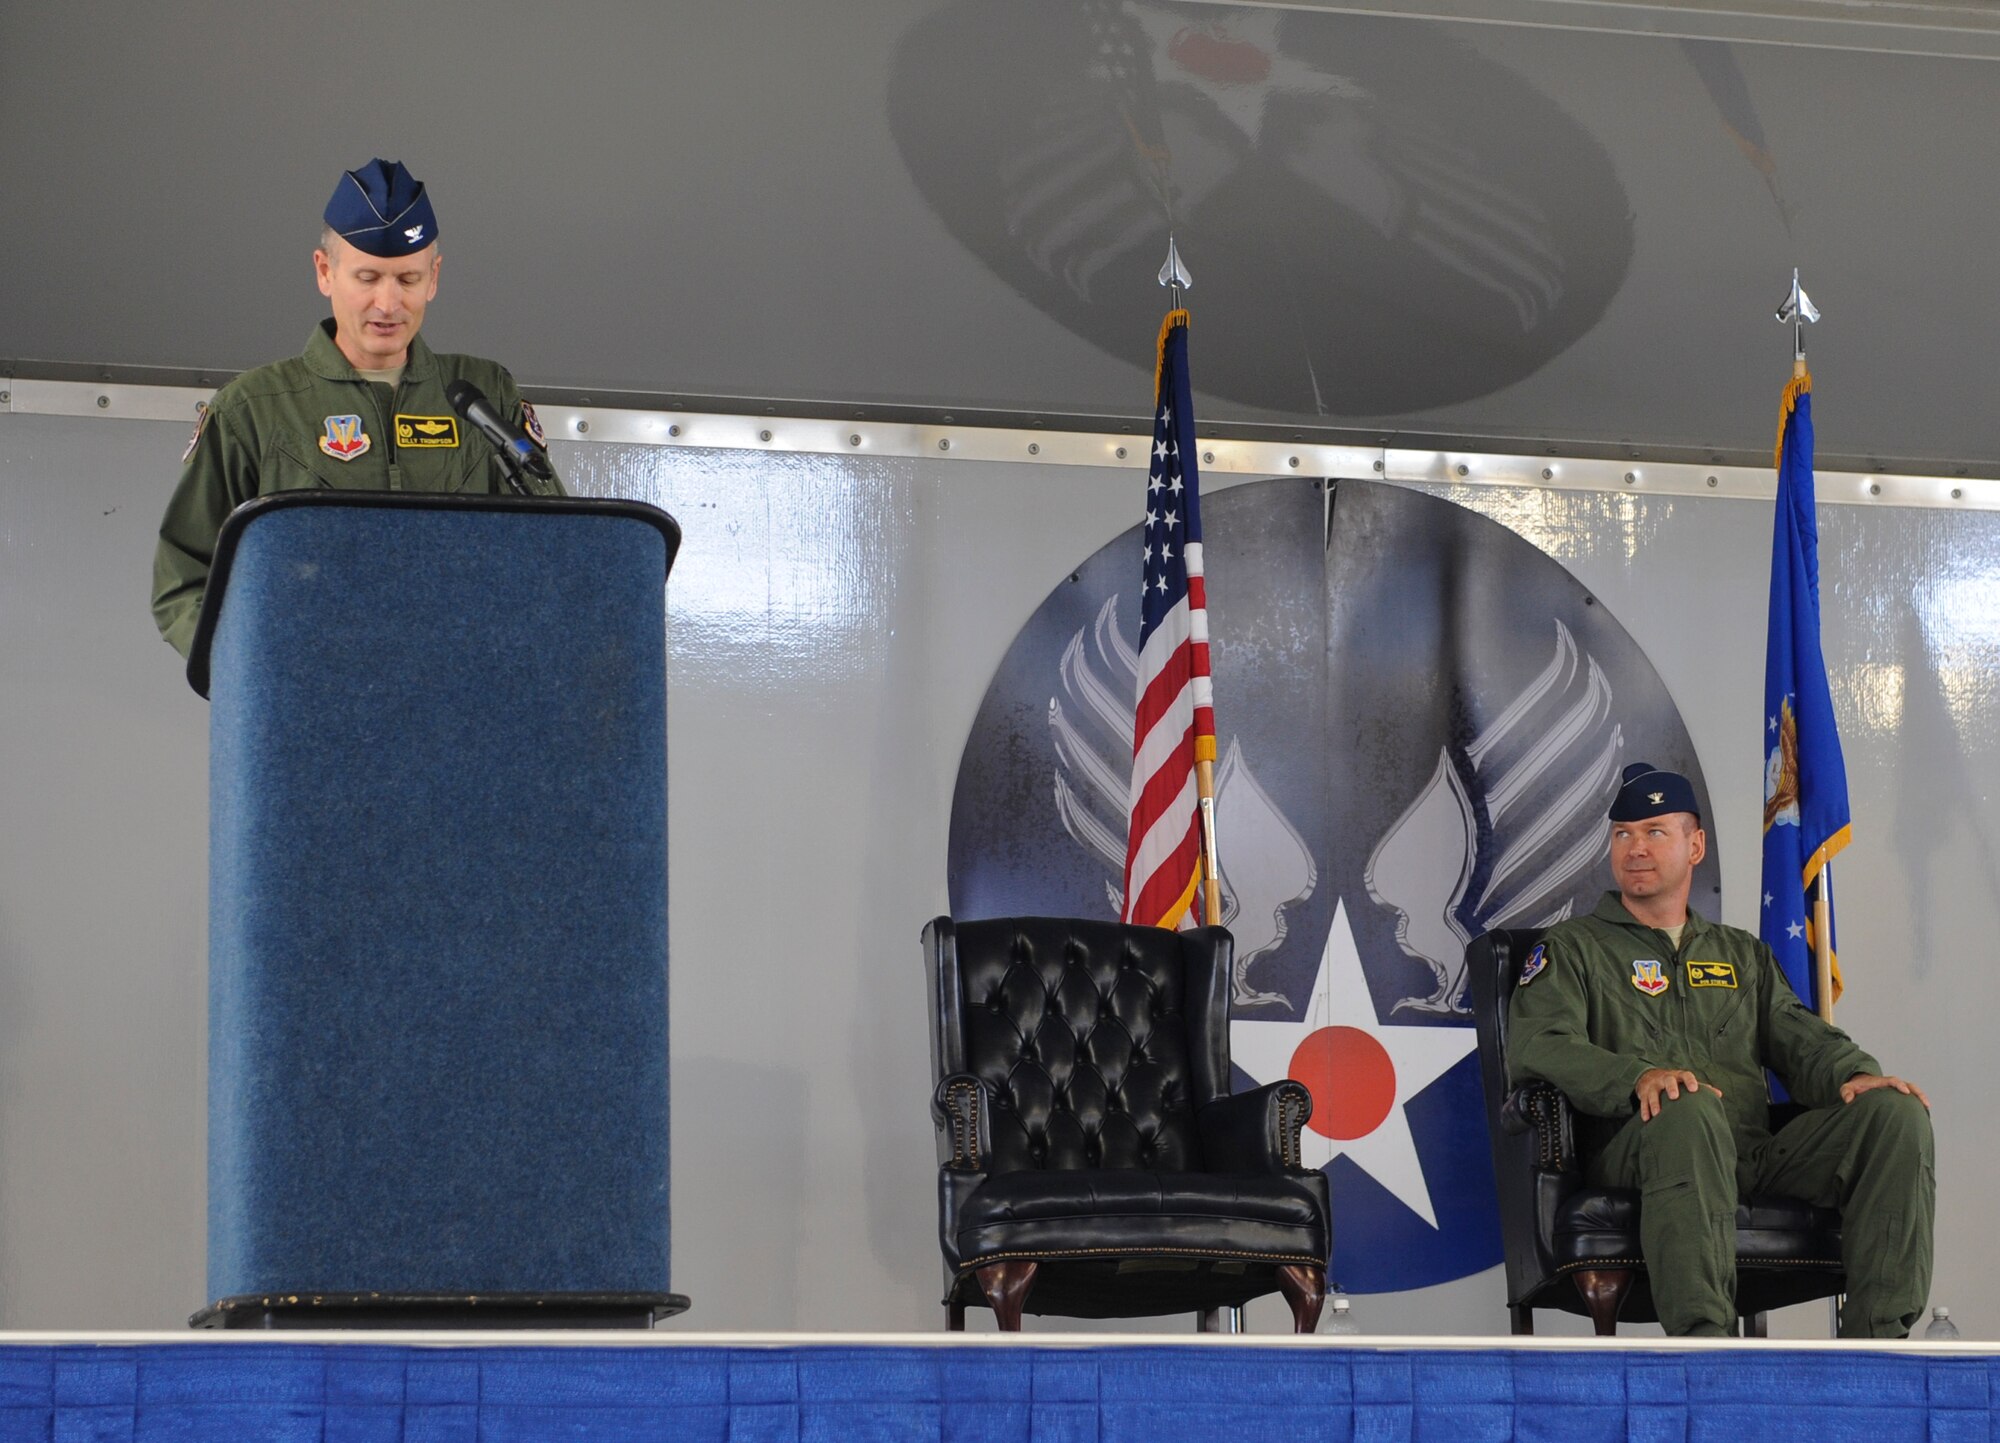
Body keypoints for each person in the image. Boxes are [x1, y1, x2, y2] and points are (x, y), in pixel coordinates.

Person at [1508, 761, 1934, 1338]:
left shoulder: (1741, 955)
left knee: (1894, 1115)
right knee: (1686, 1104)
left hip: (1748, 1155)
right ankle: (1705, 1344)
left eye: (1655, 832)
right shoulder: (1574, 947)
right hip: (1644, 1144)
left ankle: (1879, 1345)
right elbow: (1540, 1044)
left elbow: (1799, 1036)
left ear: (1695, 844)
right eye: (1623, 835)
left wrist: (1856, 1074)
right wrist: (1637, 1077)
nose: (1636, 848)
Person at [152, 158, 563, 658]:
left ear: (434, 277)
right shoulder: (253, 410)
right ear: (325, 272)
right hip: (309, 704)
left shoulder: (483, 394)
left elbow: (554, 550)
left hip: (457, 696)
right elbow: (183, 578)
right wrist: (252, 675)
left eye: (408, 280)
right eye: (367, 278)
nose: (388, 304)